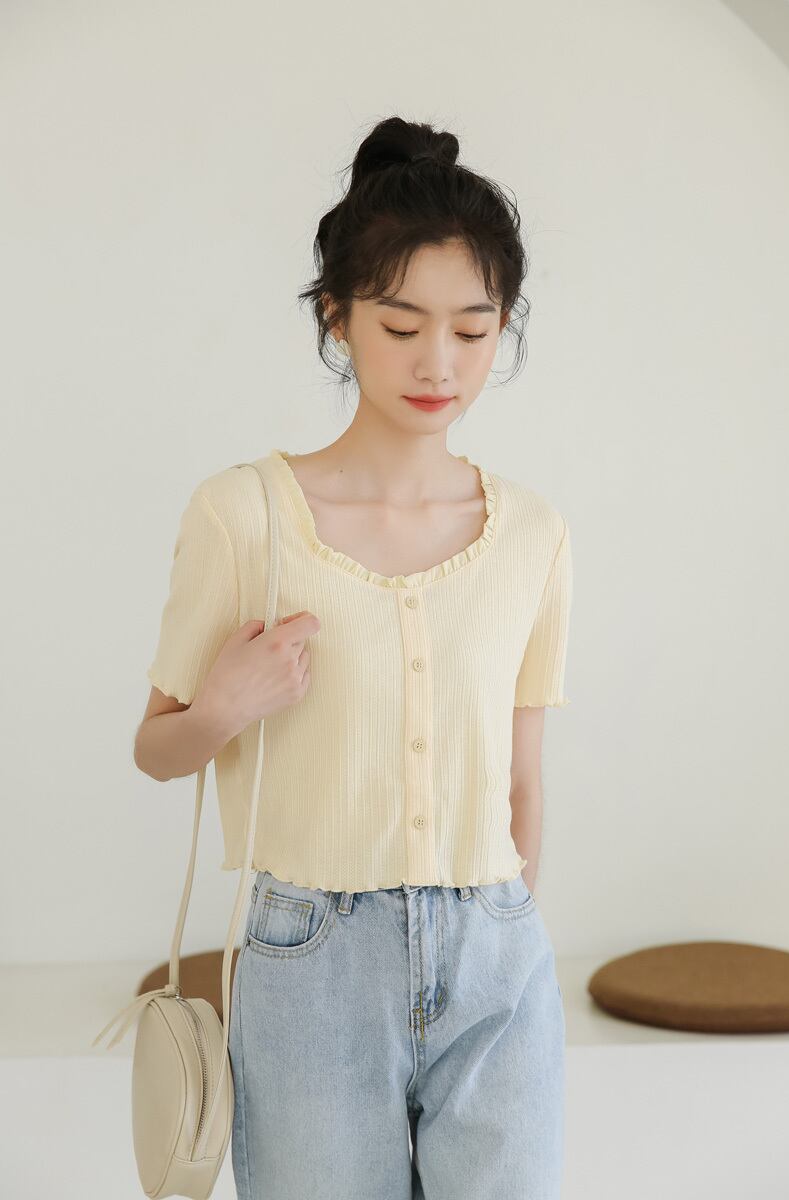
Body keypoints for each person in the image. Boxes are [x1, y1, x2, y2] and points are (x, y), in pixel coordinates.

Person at [135, 115, 573, 1200]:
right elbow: (156, 748)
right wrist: (223, 707)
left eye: (473, 329)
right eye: (400, 324)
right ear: (336, 316)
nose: (438, 363)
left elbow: (522, 782)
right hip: (312, 957)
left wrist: (499, 925)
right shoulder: (245, 515)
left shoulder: (532, 533)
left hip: (496, 951)